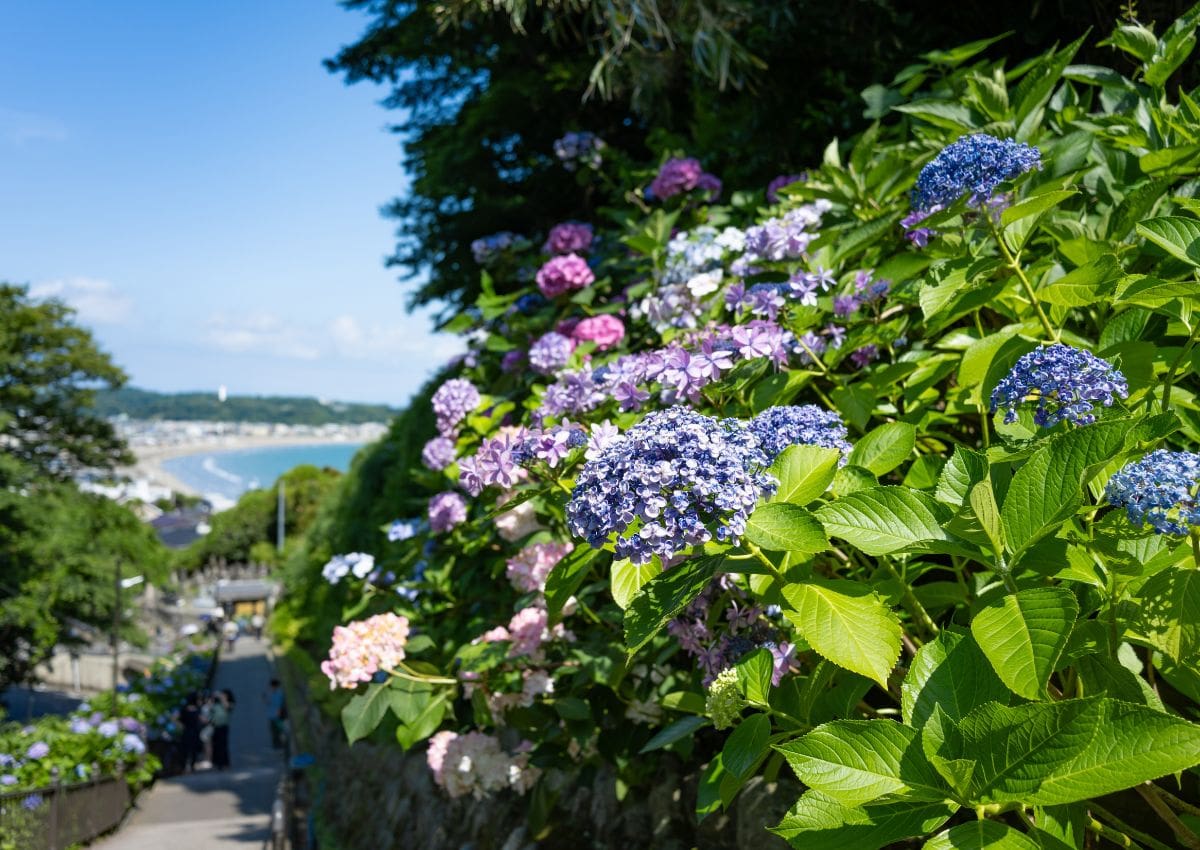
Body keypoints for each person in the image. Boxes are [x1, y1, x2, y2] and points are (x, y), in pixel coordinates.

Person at [179, 692, 205, 773]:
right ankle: (191, 766)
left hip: (187, 731)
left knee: (186, 750)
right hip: (194, 731)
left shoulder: (184, 708)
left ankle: (184, 767)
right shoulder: (197, 709)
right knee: (192, 750)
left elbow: (175, 718)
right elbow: (202, 719)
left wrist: (181, 725)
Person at [210, 690, 233, 770]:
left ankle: (225, 763)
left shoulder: (228, 703)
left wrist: (222, 698)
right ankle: (217, 763)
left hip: (223, 726)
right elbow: (210, 708)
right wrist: (214, 697)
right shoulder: (216, 704)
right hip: (215, 726)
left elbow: (227, 707)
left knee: (223, 745)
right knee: (216, 745)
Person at [264, 678, 285, 749]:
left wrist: (279, 713)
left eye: (271, 686)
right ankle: (276, 744)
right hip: (271, 715)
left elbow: (280, 705)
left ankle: (279, 744)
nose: (270, 687)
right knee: (274, 731)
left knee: (278, 731)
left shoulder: (279, 694)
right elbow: (268, 702)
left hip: (277, 715)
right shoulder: (271, 693)